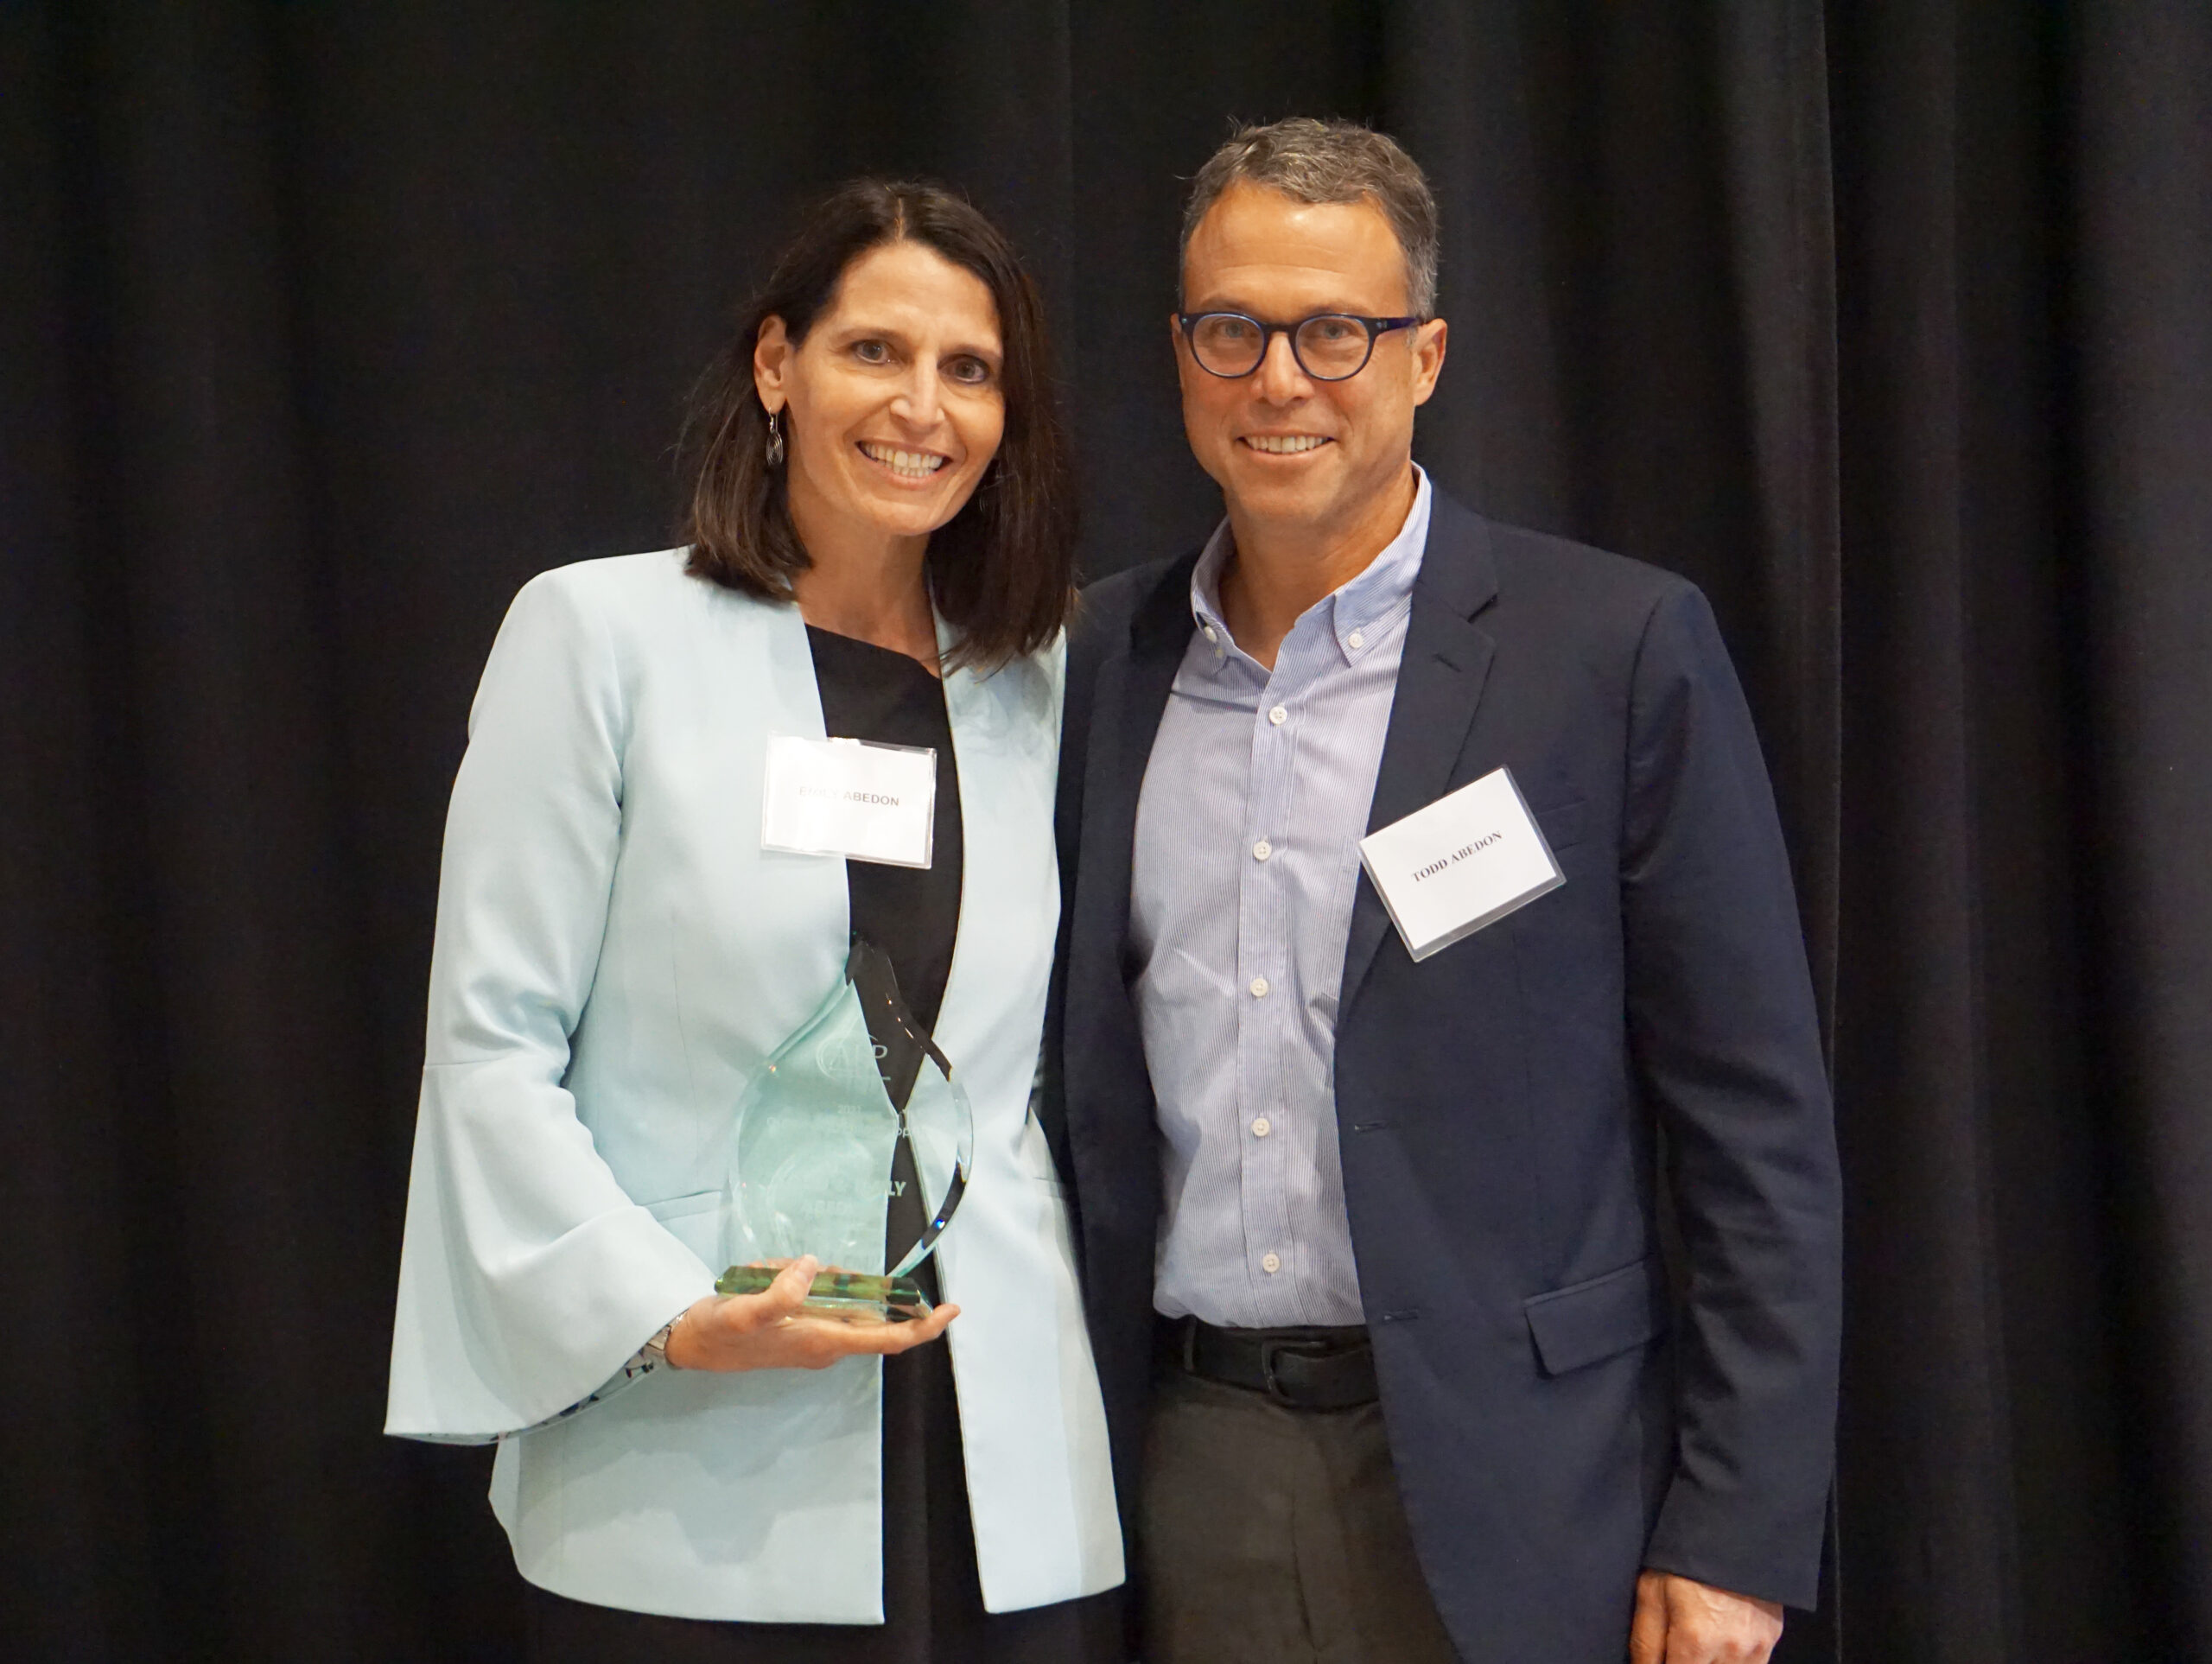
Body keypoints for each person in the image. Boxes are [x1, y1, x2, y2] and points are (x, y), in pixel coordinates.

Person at [1048, 118, 1841, 1663]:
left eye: (1336, 330)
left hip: (1534, 1485)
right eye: (1234, 330)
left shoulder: (1608, 653)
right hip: (1187, 1467)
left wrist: (1735, 1531)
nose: (1280, 379)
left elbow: (1757, 1134)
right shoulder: (1093, 669)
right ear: (1180, 352)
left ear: (1425, 356)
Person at [385, 179, 1124, 1663]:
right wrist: (671, 1312)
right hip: (696, 1442)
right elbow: (489, 1041)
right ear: (778, 366)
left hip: (1003, 1461)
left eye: (969, 370)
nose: (923, 406)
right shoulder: (600, 638)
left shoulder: (1043, 679)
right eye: (875, 352)